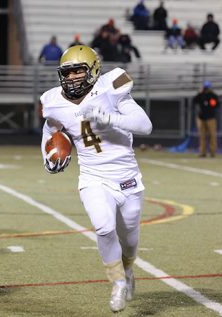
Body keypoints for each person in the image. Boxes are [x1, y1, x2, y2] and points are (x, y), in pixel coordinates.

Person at [40, 45, 152, 313]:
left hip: (127, 176)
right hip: (93, 176)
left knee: (130, 240)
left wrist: (110, 117)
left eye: (78, 71)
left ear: (93, 69)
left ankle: (127, 270)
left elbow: (145, 125)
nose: (72, 78)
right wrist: (49, 155)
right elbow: (50, 129)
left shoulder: (112, 87)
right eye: (67, 73)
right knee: (103, 227)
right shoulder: (53, 100)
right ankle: (117, 284)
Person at [193, 80, 219, 157]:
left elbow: (215, 104)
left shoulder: (213, 95)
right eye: (205, 88)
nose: (206, 89)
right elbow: (194, 100)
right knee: (202, 136)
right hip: (202, 118)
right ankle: (202, 152)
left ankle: (212, 152)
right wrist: (200, 93)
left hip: (210, 118)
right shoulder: (201, 95)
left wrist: (209, 99)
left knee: (212, 135)